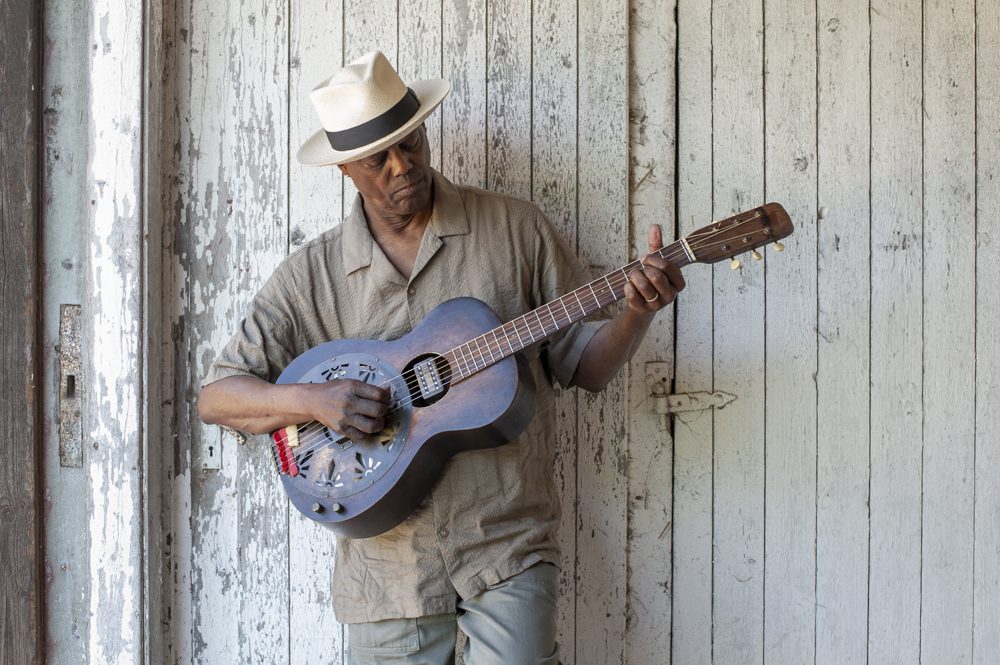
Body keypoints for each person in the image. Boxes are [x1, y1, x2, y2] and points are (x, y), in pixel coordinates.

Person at [198, 51, 685, 665]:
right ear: (347, 167)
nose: (405, 166)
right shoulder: (311, 276)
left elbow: (584, 366)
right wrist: (309, 399)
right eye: (380, 159)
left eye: (413, 142)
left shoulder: (516, 231)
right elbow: (218, 396)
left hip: (505, 542)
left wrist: (636, 312)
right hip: (387, 570)